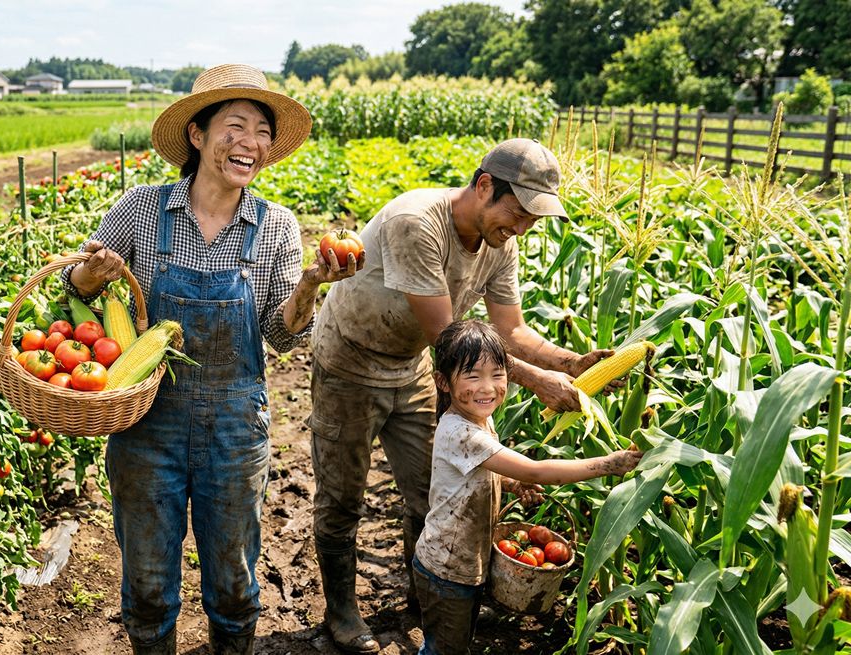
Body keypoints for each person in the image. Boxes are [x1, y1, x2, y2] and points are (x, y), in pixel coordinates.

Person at [62, 64, 361, 655]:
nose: (250, 143)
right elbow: (77, 291)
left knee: (234, 583)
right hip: (147, 424)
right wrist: (88, 275)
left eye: (261, 132)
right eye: (235, 126)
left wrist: (308, 287)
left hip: (234, 426)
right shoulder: (140, 211)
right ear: (197, 135)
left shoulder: (274, 225)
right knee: (147, 584)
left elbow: (281, 334)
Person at [306, 138, 622, 653]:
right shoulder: (417, 222)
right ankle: (342, 612)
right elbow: (449, 340)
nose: (520, 229)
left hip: (412, 370)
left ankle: (422, 595)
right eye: (516, 213)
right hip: (350, 365)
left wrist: (570, 363)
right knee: (342, 498)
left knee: (425, 492)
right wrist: (538, 382)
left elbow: (513, 331)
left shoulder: (500, 244)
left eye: (531, 221)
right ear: (483, 186)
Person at [413, 319, 642, 654]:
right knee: (444, 649)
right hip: (446, 569)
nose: (487, 387)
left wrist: (509, 483)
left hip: (463, 561)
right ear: (442, 382)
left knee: (456, 638)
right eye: (473, 375)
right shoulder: (460, 431)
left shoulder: (478, 417)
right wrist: (606, 465)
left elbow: (475, 474)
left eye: (497, 374)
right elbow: (536, 470)